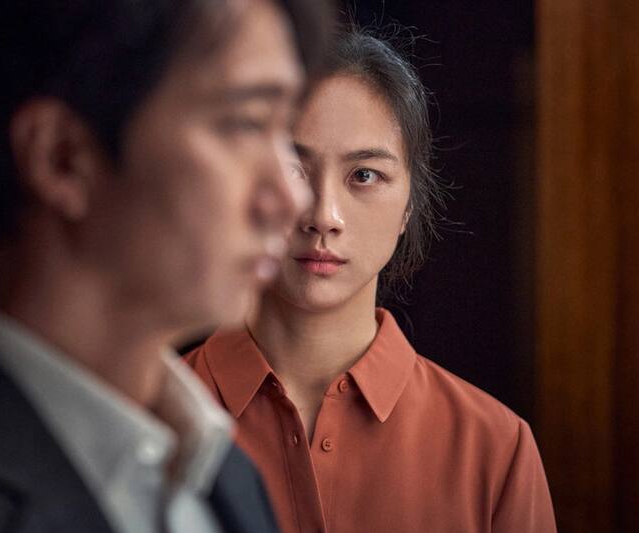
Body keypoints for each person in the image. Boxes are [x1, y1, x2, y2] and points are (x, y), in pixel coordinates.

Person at [0, 1, 332, 532]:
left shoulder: (226, 475)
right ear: (62, 158)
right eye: (245, 125)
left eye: (284, 132)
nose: (293, 198)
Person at [187, 28, 557, 533]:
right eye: (293, 168)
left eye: (364, 175)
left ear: (409, 205)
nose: (324, 216)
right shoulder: (146, 420)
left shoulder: (495, 447)